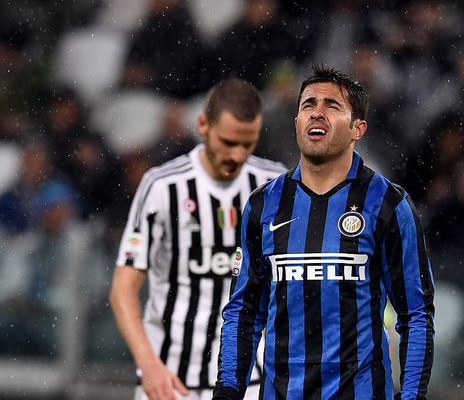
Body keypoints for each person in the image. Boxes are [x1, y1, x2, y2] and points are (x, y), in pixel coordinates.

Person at [214, 65, 435, 400]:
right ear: (297, 123)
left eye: (332, 105)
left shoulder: (388, 203)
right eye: (308, 105)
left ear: (358, 128)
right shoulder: (263, 204)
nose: (317, 113)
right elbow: (243, 313)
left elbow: (415, 315)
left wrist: (413, 397)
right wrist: (227, 391)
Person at [109, 78, 285, 400]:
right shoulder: (162, 186)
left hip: (249, 382)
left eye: (248, 144)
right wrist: (147, 364)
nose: (238, 155)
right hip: (170, 381)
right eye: (228, 142)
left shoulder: (274, 184)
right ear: (203, 125)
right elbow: (123, 288)